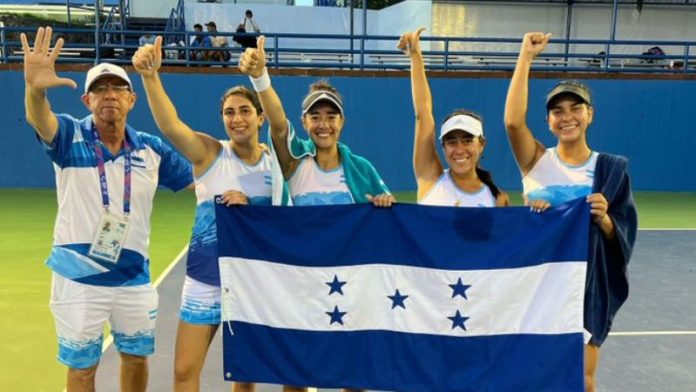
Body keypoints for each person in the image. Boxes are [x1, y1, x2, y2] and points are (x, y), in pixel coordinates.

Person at [21, 27, 192, 392]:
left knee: (135, 358)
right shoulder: (68, 136)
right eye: (100, 89)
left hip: (133, 278)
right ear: (87, 100)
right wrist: (35, 89)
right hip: (77, 279)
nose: (109, 95)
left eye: (117, 88)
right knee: (82, 368)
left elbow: (201, 181)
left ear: (132, 99)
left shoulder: (151, 149)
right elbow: (41, 118)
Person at [132, 36, 301, 392]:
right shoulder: (210, 154)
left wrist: (251, 208)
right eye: (229, 112)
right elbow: (171, 126)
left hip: (253, 279)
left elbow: (282, 126)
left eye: (244, 111)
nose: (236, 119)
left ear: (258, 117)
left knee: (244, 374)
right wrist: (150, 76)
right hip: (205, 279)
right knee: (183, 372)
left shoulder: (277, 162)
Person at [240, 35, 393, 392]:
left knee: (352, 375)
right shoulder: (294, 160)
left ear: (342, 121)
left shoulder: (362, 168)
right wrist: (260, 77)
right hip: (300, 285)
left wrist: (384, 207)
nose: (324, 124)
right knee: (297, 375)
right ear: (305, 122)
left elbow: (389, 225)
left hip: (350, 288)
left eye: (331, 116)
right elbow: (277, 125)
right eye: (315, 117)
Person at [504, 32, 638, 392]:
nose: (567, 117)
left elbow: (622, 232)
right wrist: (525, 57)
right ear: (548, 121)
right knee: (531, 376)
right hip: (536, 286)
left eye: (575, 108)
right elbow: (513, 123)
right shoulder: (536, 161)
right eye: (557, 111)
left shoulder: (611, 170)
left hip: (583, 288)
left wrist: (606, 220)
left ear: (589, 114)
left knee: (582, 380)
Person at [398, 28, 508, 207]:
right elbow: (423, 115)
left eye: (467, 140)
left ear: (481, 144)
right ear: (443, 147)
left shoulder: (497, 198)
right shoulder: (430, 178)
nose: (459, 149)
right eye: (451, 142)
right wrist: (415, 56)